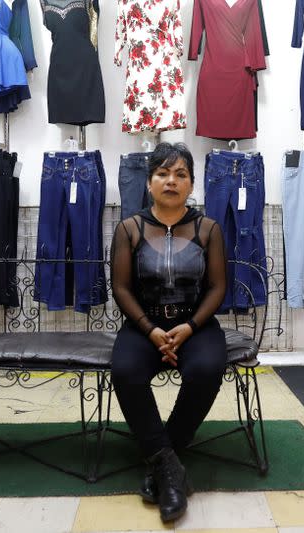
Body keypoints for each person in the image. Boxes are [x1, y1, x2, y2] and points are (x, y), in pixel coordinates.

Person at [110, 142, 227, 521]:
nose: (171, 181)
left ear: (192, 184)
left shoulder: (209, 228)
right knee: (126, 371)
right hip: (144, 326)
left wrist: (189, 328)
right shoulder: (129, 228)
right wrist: (151, 330)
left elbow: (217, 288)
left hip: (197, 325)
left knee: (206, 369)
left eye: (180, 174)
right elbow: (121, 289)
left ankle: (161, 463)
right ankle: (169, 469)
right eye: (162, 173)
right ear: (148, 183)